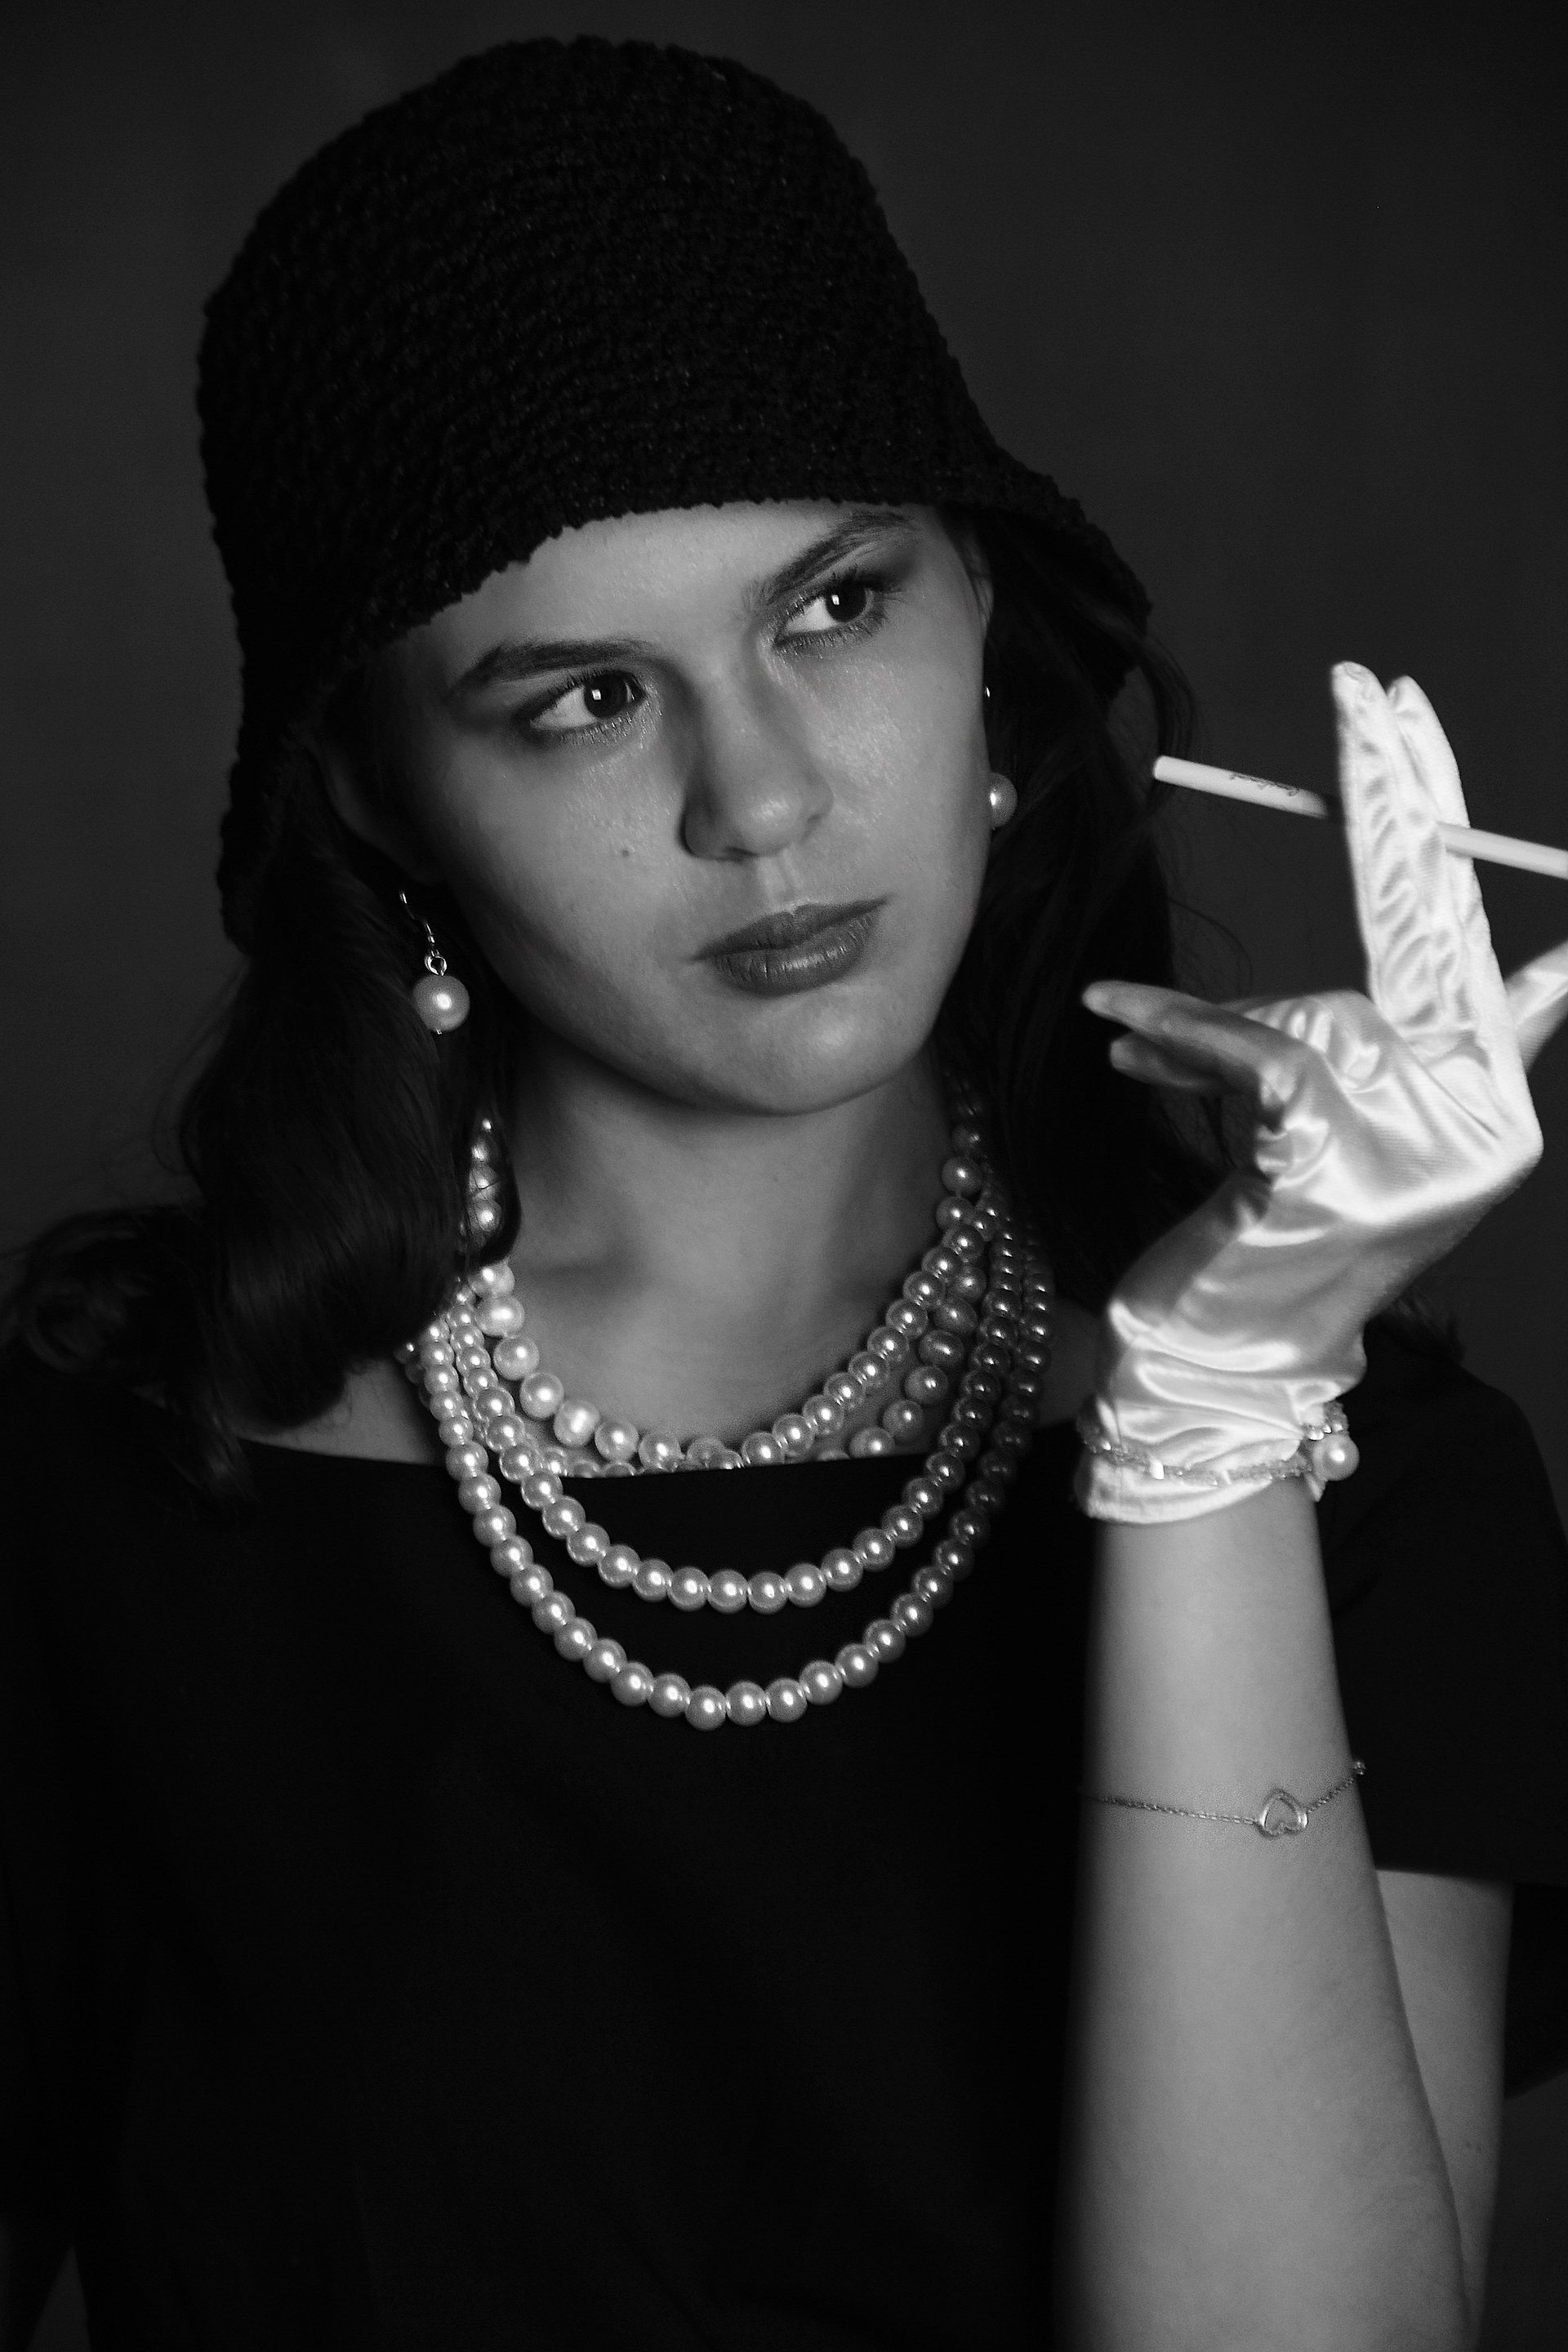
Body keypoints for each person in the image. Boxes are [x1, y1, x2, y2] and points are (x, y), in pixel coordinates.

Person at [2, 33, 1566, 2351]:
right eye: (584, 701)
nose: (761, 799)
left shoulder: (1383, 1498)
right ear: (374, 802)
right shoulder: (95, 1495)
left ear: (988, 636)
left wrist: (1213, 1425)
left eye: (832, 608)